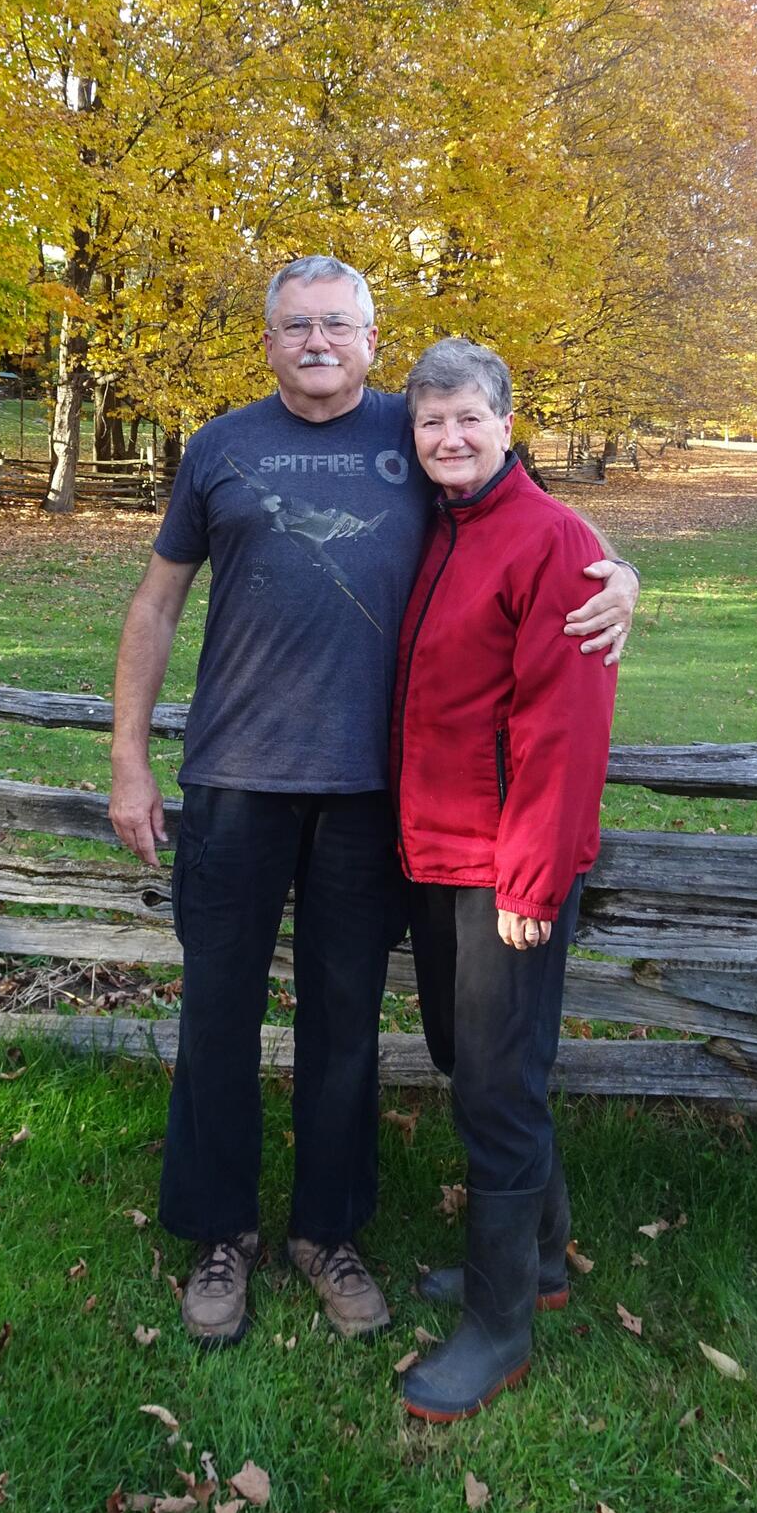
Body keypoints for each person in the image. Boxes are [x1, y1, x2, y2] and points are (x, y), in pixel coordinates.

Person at [107, 258, 638, 1348]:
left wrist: (621, 573)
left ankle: (329, 1231)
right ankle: (219, 1234)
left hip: (367, 796)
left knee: (344, 1020)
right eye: (296, 325)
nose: (317, 341)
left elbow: (528, 510)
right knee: (218, 1013)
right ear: (269, 340)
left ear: (370, 336)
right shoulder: (220, 446)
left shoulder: (417, 425)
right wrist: (128, 758)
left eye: (337, 324)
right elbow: (156, 605)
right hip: (235, 776)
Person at [390, 337, 617, 1421]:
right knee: (472, 1059)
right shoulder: (439, 524)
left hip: (502, 868)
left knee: (496, 1085)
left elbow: (564, 732)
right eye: (431, 421)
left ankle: (499, 1324)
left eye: (468, 417)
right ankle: (542, 1260)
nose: (449, 437)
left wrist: (530, 882)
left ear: (506, 423)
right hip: (434, 849)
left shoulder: (552, 541)